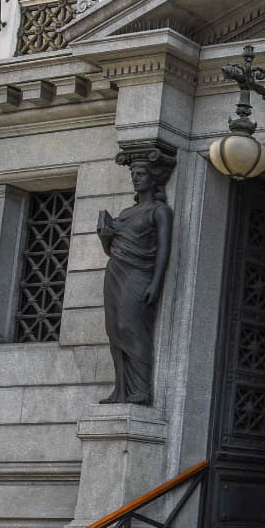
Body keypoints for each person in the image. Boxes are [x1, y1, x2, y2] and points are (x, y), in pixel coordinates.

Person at [97, 153, 173, 405]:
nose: (135, 179)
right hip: (115, 273)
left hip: (139, 275)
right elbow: (109, 250)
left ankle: (141, 389)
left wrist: (156, 283)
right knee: (114, 330)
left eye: (141, 174)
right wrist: (105, 236)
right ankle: (121, 390)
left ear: (153, 179)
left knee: (131, 327)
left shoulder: (159, 211)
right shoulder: (125, 213)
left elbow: (163, 249)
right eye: (133, 174)